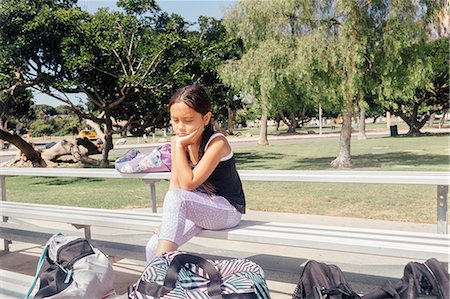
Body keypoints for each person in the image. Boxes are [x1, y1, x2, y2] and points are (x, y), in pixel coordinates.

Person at [145, 84, 246, 262]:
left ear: (206, 118)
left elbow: (187, 184)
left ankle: (158, 274)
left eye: (188, 121)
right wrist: (167, 222)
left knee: (178, 198)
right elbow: (175, 185)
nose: (180, 128)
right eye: (175, 120)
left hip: (227, 211)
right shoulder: (181, 142)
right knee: (153, 246)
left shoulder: (217, 143)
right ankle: (161, 287)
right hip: (198, 207)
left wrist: (177, 145)